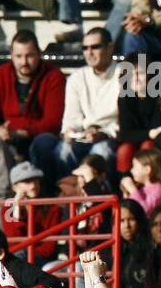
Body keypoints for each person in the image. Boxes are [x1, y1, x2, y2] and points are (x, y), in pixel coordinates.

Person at [29, 27, 118, 181]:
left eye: (95, 47)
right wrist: (70, 132)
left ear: (110, 48)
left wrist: (104, 133)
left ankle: (98, 198)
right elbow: (71, 118)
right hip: (83, 136)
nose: (89, 53)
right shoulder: (77, 77)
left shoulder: (125, 74)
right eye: (85, 48)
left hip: (110, 136)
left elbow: (126, 119)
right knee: (63, 150)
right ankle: (69, 193)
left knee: (100, 152)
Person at [0, 32, 67, 156]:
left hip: (39, 136)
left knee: (44, 142)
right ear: (11, 56)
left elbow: (53, 122)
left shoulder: (54, 76)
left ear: (39, 53)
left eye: (29, 56)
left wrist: (22, 132)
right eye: (18, 56)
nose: (24, 62)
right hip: (6, 135)